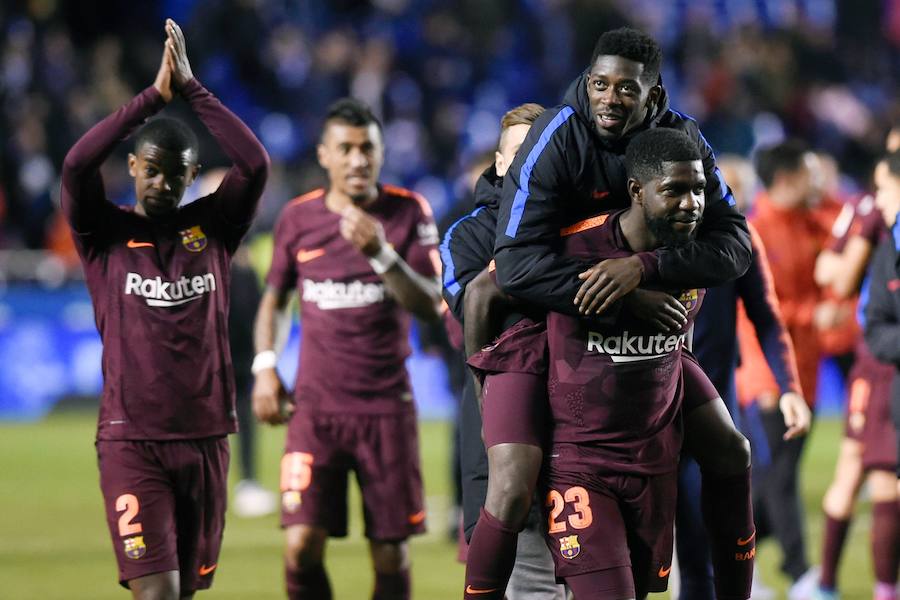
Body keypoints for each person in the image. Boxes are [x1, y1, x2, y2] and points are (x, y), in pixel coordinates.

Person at [487, 27, 756, 600]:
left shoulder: (683, 139)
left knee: (732, 450)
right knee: (509, 487)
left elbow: (735, 246)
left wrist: (645, 268)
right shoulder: (554, 136)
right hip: (545, 333)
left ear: (653, 94)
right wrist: (624, 292)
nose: (609, 99)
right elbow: (513, 266)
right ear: (587, 82)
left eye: (626, 89)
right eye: (600, 85)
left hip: (648, 344)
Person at [60, 20, 269, 599]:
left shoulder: (215, 229)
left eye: (175, 173)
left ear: (192, 177)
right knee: (155, 592)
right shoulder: (104, 233)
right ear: (132, 168)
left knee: (182, 594)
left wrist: (195, 90)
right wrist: (154, 96)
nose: (161, 182)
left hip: (206, 437)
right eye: (150, 169)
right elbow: (76, 166)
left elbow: (255, 165)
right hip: (132, 441)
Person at [252, 98, 442, 600]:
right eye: (346, 149)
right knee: (301, 545)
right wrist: (266, 366)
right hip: (315, 411)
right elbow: (274, 301)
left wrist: (381, 253)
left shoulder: (408, 212)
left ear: (381, 153)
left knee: (390, 553)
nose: (358, 159)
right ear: (324, 155)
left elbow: (429, 304)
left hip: (386, 409)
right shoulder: (298, 218)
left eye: (368, 149)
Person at [533, 127, 711, 598]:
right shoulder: (573, 247)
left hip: (653, 462)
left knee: (735, 451)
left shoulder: (697, 253)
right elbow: (492, 288)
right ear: (637, 190)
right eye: (676, 190)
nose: (691, 202)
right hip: (579, 462)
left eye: (699, 190)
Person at [441, 102, 567, 600]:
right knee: (523, 577)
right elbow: (478, 307)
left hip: (583, 425)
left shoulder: (587, 224)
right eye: (517, 154)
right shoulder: (467, 235)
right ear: (497, 162)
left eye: (538, 151)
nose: (526, 166)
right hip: (501, 426)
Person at [741, 140, 830, 595]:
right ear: (789, 177)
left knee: (771, 480)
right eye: (812, 172)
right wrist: (764, 380)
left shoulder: (810, 223)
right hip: (769, 378)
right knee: (777, 478)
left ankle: (730, 556)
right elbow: (754, 316)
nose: (820, 182)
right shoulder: (754, 232)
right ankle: (799, 573)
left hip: (807, 373)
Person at [812, 182, 898, 600]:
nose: (881, 196)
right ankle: (829, 583)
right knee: (863, 469)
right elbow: (830, 272)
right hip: (877, 364)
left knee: (877, 474)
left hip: (880, 357)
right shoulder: (870, 212)